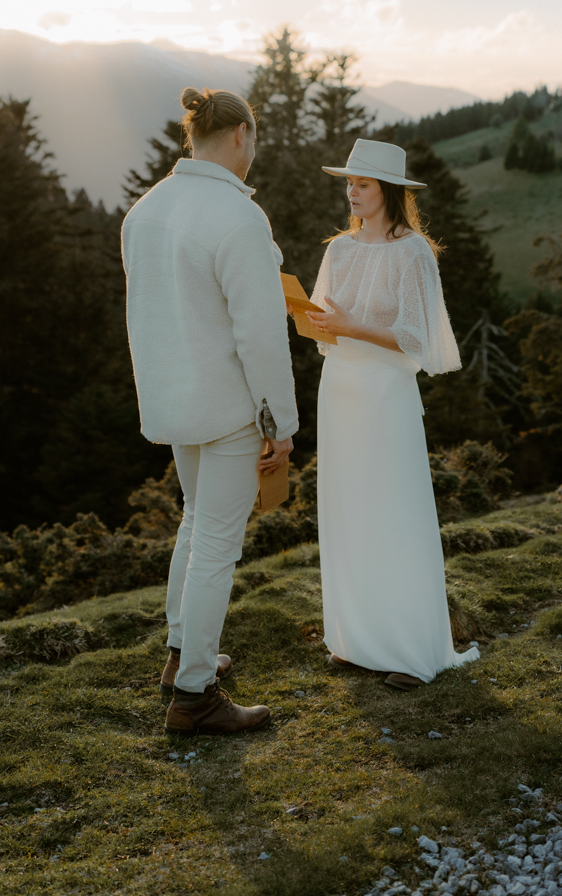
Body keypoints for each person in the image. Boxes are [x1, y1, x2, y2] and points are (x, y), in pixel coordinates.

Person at [121, 86, 297, 735]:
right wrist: (279, 425)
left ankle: (180, 657)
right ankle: (194, 694)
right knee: (217, 542)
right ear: (241, 136)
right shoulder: (237, 217)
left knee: (196, 526)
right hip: (225, 408)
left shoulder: (145, 210)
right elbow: (258, 334)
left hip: (173, 399)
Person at [306, 138, 480, 689]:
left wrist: (348, 326)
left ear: (388, 191)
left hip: (386, 394)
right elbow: (322, 326)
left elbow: (415, 339)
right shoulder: (338, 251)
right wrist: (309, 317)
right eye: (349, 184)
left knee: (394, 510)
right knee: (350, 508)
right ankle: (356, 640)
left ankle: (408, 651)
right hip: (340, 391)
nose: (352, 193)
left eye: (362, 184)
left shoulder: (414, 253)